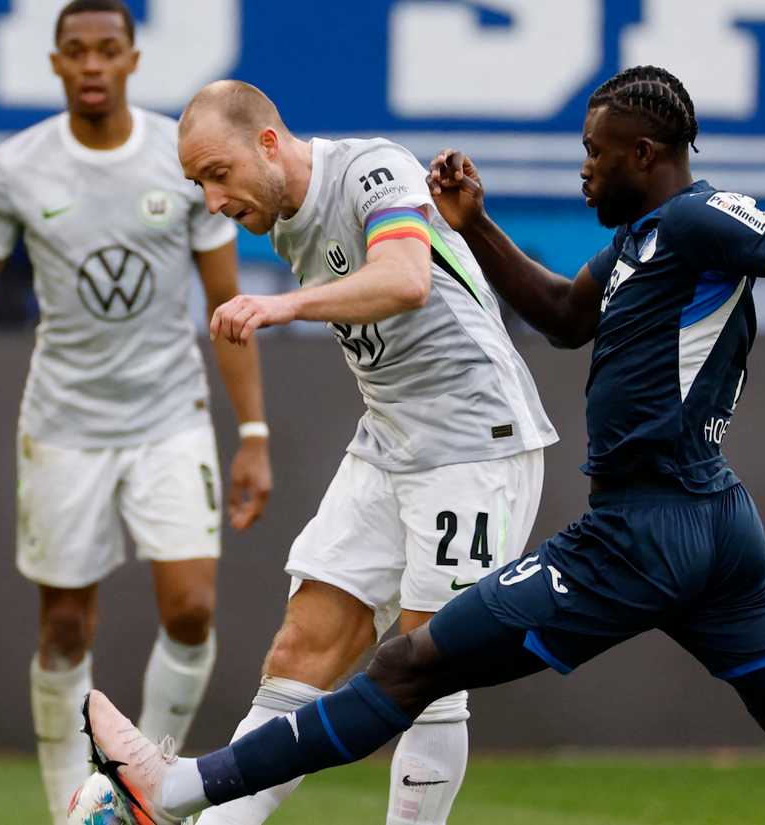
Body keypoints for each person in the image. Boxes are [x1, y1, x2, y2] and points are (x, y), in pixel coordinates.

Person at [81, 66, 765, 825]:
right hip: (715, 530)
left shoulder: (708, 222)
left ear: (647, 157)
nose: (582, 170)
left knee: (408, 666)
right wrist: (477, 229)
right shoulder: (634, 248)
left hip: (638, 532)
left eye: (595, 153)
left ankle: (176, 789)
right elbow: (563, 319)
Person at [157, 78, 557, 825]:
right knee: (299, 651)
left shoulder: (374, 169)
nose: (213, 199)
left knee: (431, 667)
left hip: (475, 441)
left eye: (218, 173)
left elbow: (406, 279)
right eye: (197, 184)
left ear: (268, 143)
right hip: (388, 441)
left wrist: (283, 304)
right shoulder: (277, 219)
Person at [0, 3, 272, 823]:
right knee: (66, 627)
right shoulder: (17, 167)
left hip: (169, 417)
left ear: (131, 59)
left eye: (107, 50)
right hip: (64, 425)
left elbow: (227, 303)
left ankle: (134, 786)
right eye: (76, 51)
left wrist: (253, 432)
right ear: (55, 63)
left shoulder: (178, 157)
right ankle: (70, 809)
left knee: (190, 609)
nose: (91, 64)